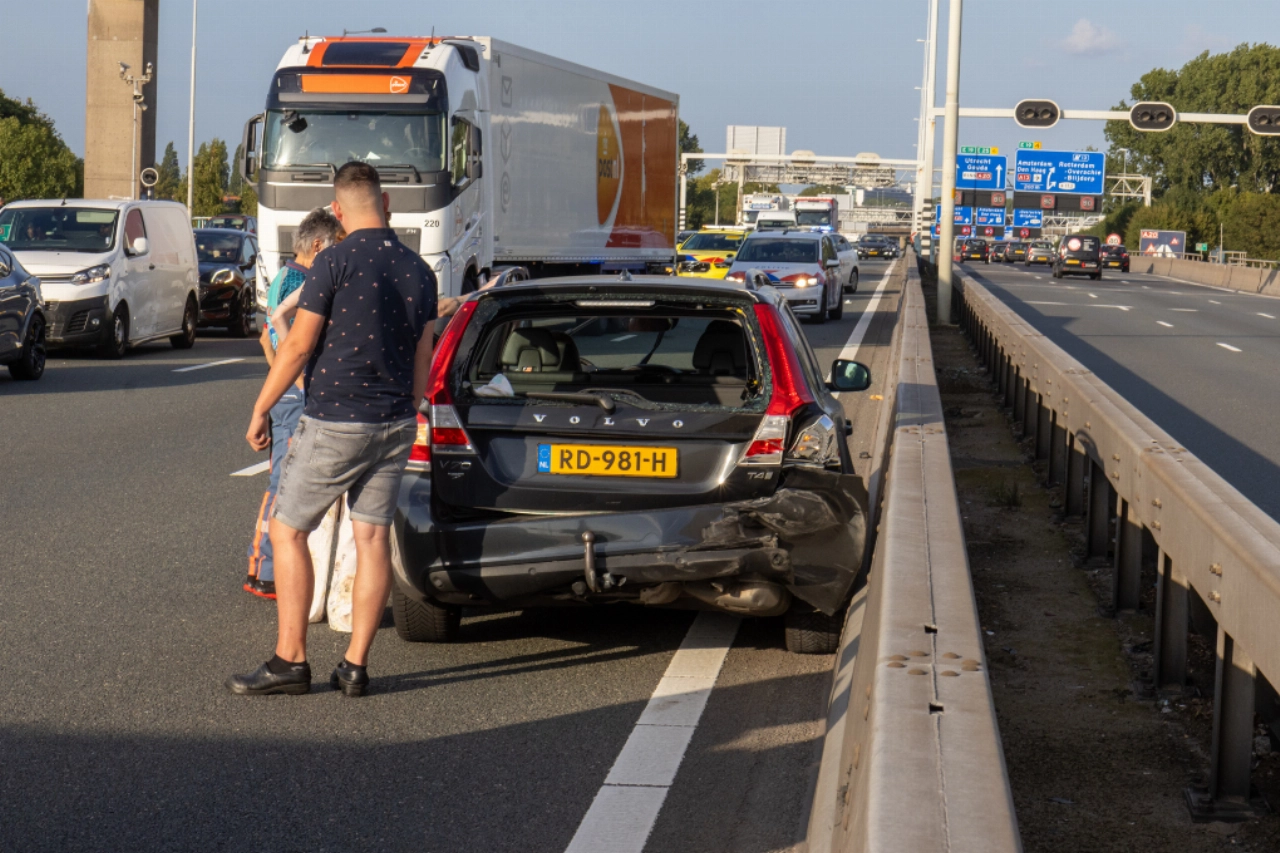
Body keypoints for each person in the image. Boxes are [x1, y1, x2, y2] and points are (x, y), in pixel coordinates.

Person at [228, 161, 437, 698]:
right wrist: (407, 409)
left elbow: (297, 346)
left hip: (337, 418)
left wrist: (260, 409)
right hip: (395, 422)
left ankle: (290, 660)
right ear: (385, 202)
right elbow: (423, 354)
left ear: (338, 211)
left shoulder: (333, 261)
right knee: (371, 540)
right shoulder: (420, 271)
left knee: (287, 528)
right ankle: (355, 666)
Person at [244, 208, 343, 600]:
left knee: (289, 479)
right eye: (333, 250)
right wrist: (296, 384)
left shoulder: (294, 277)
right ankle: (265, 569)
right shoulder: (296, 281)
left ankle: (274, 568)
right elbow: (279, 340)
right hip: (293, 390)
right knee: (282, 482)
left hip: (289, 387)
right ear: (317, 246)